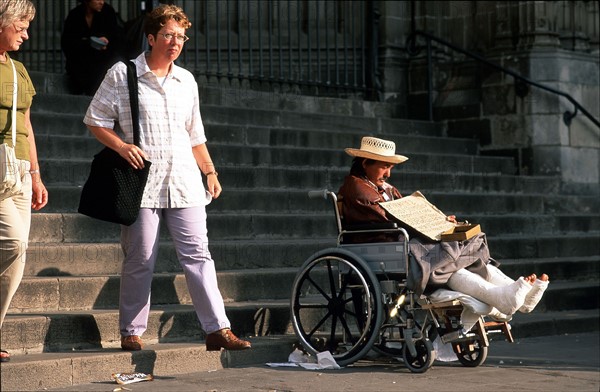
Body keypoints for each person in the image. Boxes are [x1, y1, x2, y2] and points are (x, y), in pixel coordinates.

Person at [83, 4, 251, 352]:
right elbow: (94, 120)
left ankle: (217, 328)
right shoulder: (123, 73)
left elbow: (195, 134)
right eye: (169, 35)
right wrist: (120, 145)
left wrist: (210, 171)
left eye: (181, 37)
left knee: (199, 255)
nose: (175, 42)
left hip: (185, 182)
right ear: (151, 37)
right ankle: (131, 329)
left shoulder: (186, 80)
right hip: (141, 184)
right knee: (140, 258)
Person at [337, 136, 549, 319]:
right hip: (386, 244)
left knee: (462, 245)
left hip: (403, 239)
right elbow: (390, 219)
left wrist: (437, 219)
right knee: (447, 257)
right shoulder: (357, 187)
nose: (389, 174)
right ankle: (504, 296)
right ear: (366, 163)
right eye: (384, 166)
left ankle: (513, 291)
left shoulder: (382, 187)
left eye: (390, 167)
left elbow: (403, 211)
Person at [0, 0, 48, 363]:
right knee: (12, 243)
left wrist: (35, 174)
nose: (26, 34)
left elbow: (27, 125)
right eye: (21, 26)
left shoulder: (18, 70)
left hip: (17, 167)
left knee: (17, 259)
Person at [61, 0, 124, 95]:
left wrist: (106, 41)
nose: (101, 2)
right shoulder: (75, 15)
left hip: (102, 64)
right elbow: (67, 42)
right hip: (80, 65)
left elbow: (116, 39)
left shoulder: (108, 12)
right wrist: (88, 42)